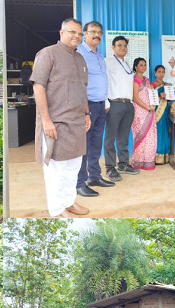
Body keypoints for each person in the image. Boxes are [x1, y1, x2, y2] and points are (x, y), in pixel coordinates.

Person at [31, 18, 92, 218]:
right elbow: (38, 86)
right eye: (72, 32)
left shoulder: (80, 59)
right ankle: (57, 210)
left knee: (73, 167)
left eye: (79, 34)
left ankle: (69, 202)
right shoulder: (48, 54)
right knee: (56, 170)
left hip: (76, 122)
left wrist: (86, 112)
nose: (76, 36)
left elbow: (82, 90)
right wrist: (46, 120)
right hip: (55, 122)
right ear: (61, 33)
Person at [75, 21, 114, 198]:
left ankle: (95, 177)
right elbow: (78, 83)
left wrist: (105, 102)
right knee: (84, 145)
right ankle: (80, 183)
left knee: (95, 144)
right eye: (93, 32)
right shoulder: (79, 53)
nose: (96, 35)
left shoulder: (99, 55)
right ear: (84, 33)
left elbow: (101, 80)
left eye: (99, 32)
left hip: (100, 105)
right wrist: (85, 111)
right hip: (87, 105)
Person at [104, 35, 140, 182]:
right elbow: (103, 82)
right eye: (119, 45)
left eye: (125, 46)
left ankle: (123, 164)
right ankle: (110, 168)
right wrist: (106, 103)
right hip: (114, 103)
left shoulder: (126, 64)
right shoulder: (108, 62)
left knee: (123, 137)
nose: (123, 48)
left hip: (127, 104)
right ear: (113, 47)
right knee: (110, 137)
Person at [130, 58, 157, 170]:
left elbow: (150, 94)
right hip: (140, 112)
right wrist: (147, 107)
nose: (144, 67)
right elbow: (135, 98)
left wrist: (153, 104)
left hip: (150, 110)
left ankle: (148, 161)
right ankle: (139, 162)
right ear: (136, 67)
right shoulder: (135, 80)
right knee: (141, 136)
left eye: (145, 65)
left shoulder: (147, 79)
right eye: (141, 65)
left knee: (151, 137)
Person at [151, 65, 171, 164]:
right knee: (157, 134)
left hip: (165, 112)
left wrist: (170, 97)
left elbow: (170, 100)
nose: (161, 74)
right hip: (156, 113)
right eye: (159, 72)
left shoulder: (168, 85)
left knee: (165, 133)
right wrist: (160, 96)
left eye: (163, 72)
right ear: (155, 73)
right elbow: (150, 100)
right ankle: (155, 157)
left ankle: (165, 157)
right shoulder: (151, 86)